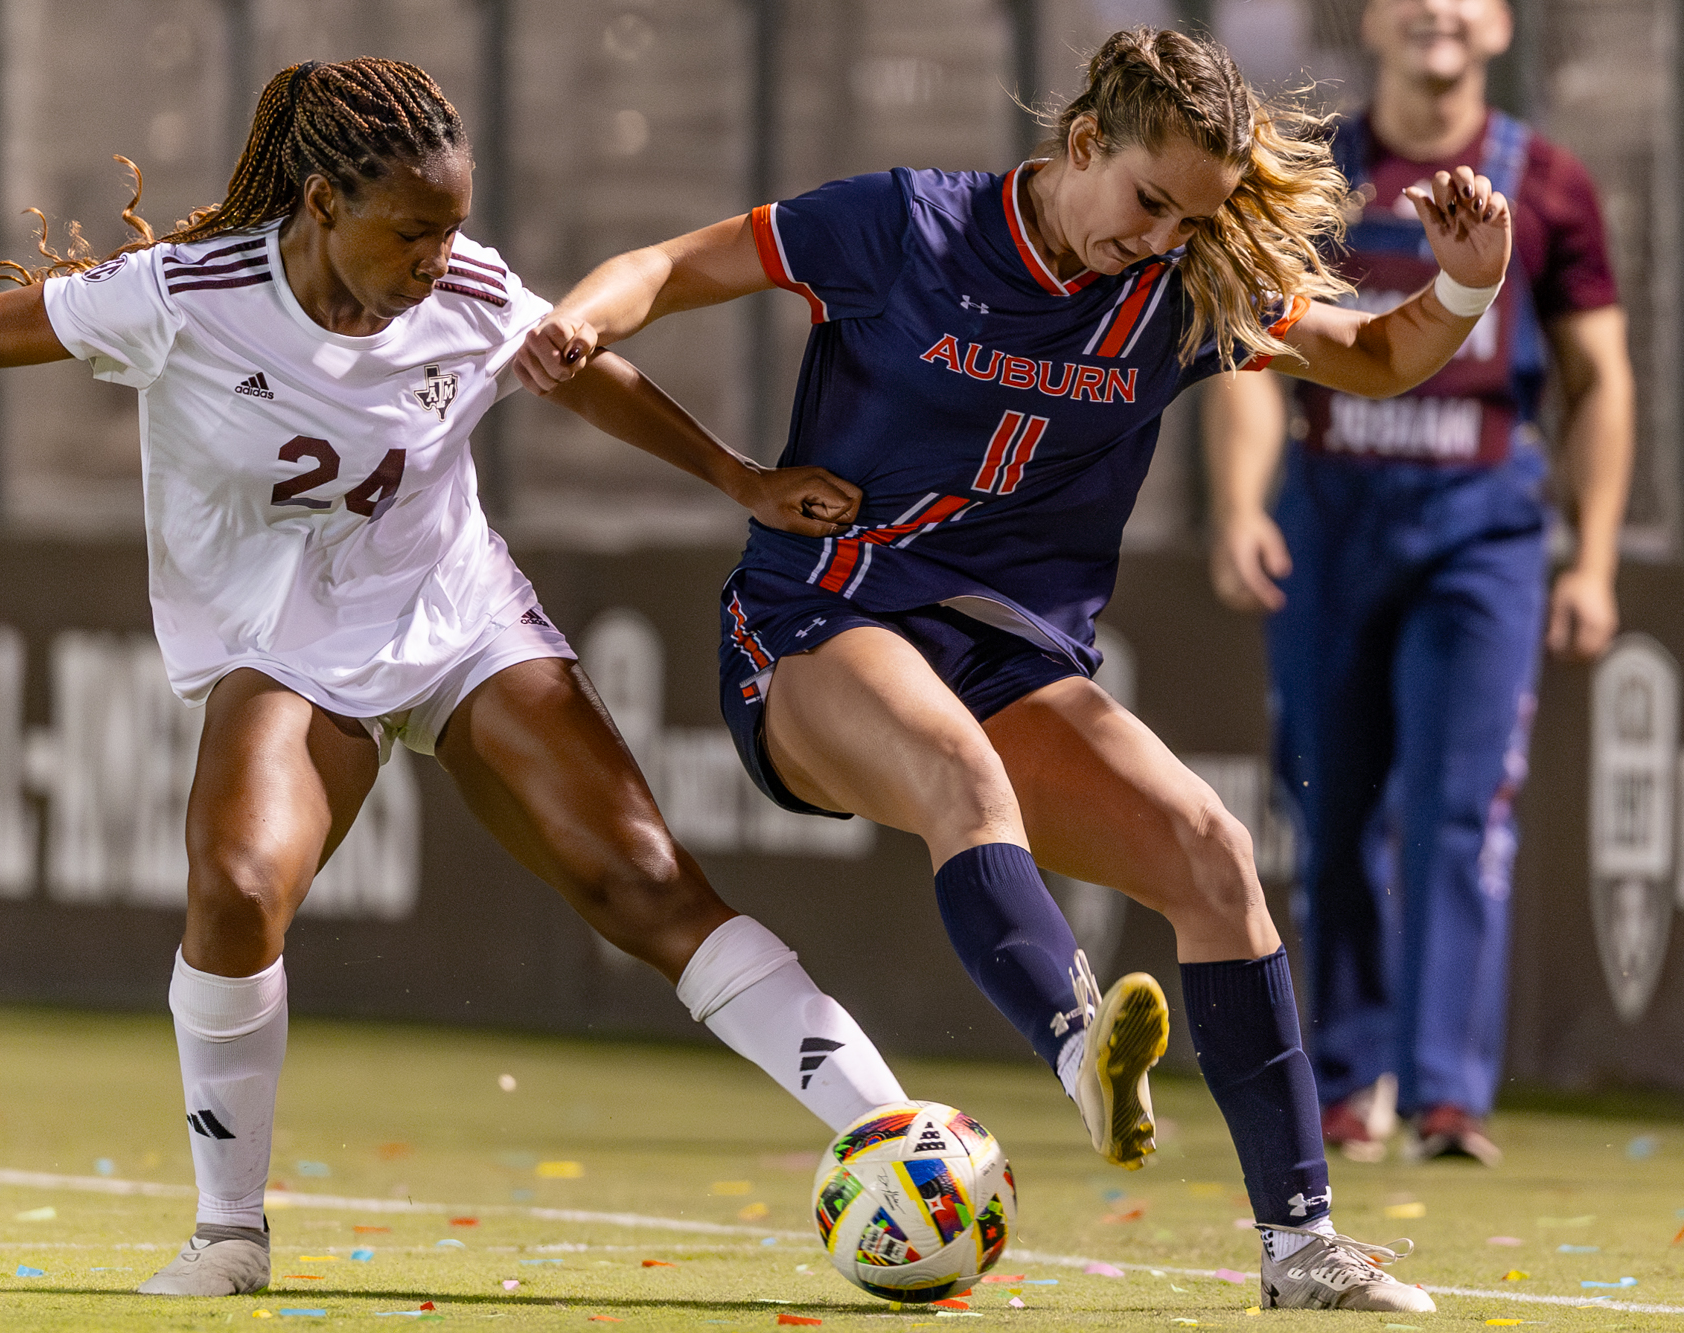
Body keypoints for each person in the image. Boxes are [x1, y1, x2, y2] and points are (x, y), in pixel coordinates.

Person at [0, 58, 913, 1299]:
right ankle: (229, 1234)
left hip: (453, 617)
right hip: (278, 639)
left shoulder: (466, 284)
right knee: (235, 889)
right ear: (324, 201)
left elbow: (580, 367)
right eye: (412, 230)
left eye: (452, 226)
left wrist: (742, 481)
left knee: (642, 879)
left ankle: (896, 1137)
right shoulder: (184, 294)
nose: (439, 257)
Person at [515, 25, 1518, 1314]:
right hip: (819, 620)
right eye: (1149, 200)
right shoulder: (899, 227)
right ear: (1082, 142)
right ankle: (1072, 1043)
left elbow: (1375, 358)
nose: (1159, 237)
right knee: (958, 776)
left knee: (1213, 857)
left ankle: (1300, 1247)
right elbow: (663, 264)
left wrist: (1464, 291)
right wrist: (577, 326)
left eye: (1190, 216)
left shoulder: (1183, 285)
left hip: (1007, 651)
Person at [1200, 0, 1631, 1166]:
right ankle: (1346, 1085)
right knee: (1332, 812)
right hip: (1329, 525)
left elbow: (1598, 379)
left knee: (1457, 811)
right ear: (1374, 22)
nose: (1437, 11)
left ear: (1496, 26)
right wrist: (1240, 506)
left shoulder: (1546, 183)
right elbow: (1250, 354)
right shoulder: (1306, 181)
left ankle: (1447, 1096)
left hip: (1480, 536)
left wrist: (1587, 558)